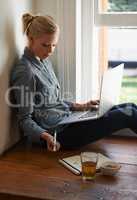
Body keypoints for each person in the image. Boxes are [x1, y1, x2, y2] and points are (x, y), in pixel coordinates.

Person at [11, 13, 137, 151]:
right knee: (128, 113)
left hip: (67, 120)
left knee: (130, 106)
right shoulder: (25, 71)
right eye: (46, 45)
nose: (50, 50)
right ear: (30, 38)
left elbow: (54, 101)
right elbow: (24, 119)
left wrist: (81, 106)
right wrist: (45, 136)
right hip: (57, 134)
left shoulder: (44, 62)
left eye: (54, 45)